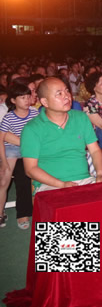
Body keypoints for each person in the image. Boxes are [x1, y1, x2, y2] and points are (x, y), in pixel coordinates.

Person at [21, 77, 102, 193]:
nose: (67, 96)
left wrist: (100, 174)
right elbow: (30, 169)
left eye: (67, 91)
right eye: (59, 94)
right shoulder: (32, 128)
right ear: (45, 102)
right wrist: (61, 184)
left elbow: (95, 150)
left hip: (84, 180)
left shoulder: (81, 118)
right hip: (50, 185)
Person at [0, 83, 39, 229]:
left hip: (28, 149)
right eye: (22, 98)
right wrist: (4, 162)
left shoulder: (34, 114)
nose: (27, 100)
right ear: (13, 100)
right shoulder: (9, 117)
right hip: (12, 149)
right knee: (4, 180)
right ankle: (0, 212)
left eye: (28, 96)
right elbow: (1, 139)